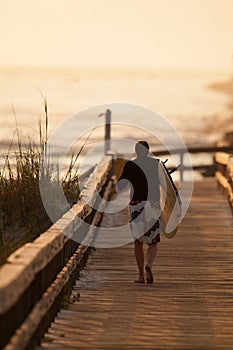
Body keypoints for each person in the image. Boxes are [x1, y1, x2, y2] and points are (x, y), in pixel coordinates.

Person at [117, 140, 164, 284]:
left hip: (136, 205)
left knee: (138, 242)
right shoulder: (157, 164)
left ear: (136, 151)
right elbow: (166, 185)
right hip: (153, 204)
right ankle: (149, 265)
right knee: (153, 242)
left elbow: (120, 187)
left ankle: (141, 276)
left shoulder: (131, 165)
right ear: (148, 151)